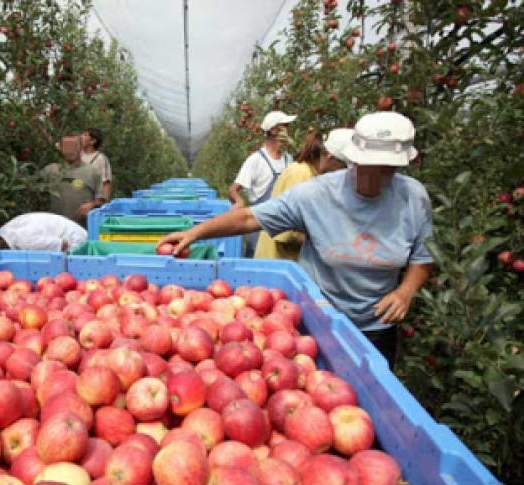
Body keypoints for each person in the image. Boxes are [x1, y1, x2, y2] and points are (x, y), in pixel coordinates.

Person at [158, 112, 433, 368]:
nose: (379, 173)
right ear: (355, 159)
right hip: (318, 321)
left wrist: (405, 291)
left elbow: (422, 258)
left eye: (389, 167)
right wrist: (195, 233)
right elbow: (248, 219)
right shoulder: (318, 194)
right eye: (371, 165)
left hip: (377, 328)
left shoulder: (413, 198)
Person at [254, 128, 352, 260]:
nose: (344, 173)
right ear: (330, 156)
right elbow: (287, 233)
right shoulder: (301, 175)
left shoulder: (316, 177)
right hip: (277, 264)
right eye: (343, 167)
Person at [228, 110, 296, 257]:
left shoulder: (288, 160)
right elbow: (234, 189)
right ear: (273, 130)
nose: (290, 130)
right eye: (286, 126)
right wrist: (239, 201)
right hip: (259, 226)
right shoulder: (256, 160)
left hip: (282, 227)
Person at [41, 134, 105, 228]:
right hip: (55, 229)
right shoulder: (50, 170)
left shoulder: (92, 172)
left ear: (80, 148)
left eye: (73, 145)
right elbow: (31, 188)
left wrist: (92, 205)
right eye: (66, 146)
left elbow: (102, 201)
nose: (70, 149)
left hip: (82, 229)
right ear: (61, 148)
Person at [0, 212, 88, 254]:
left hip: (75, 239)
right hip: (59, 228)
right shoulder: (2, 234)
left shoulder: (27, 241)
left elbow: (63, 245)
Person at [80, 127, 113, 201]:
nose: (81, 136)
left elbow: (106, 184)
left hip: (91, 204)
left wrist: (103, 205)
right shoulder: (79, 155)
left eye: (85, 135)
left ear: (93, 141)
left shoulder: (100, 159)